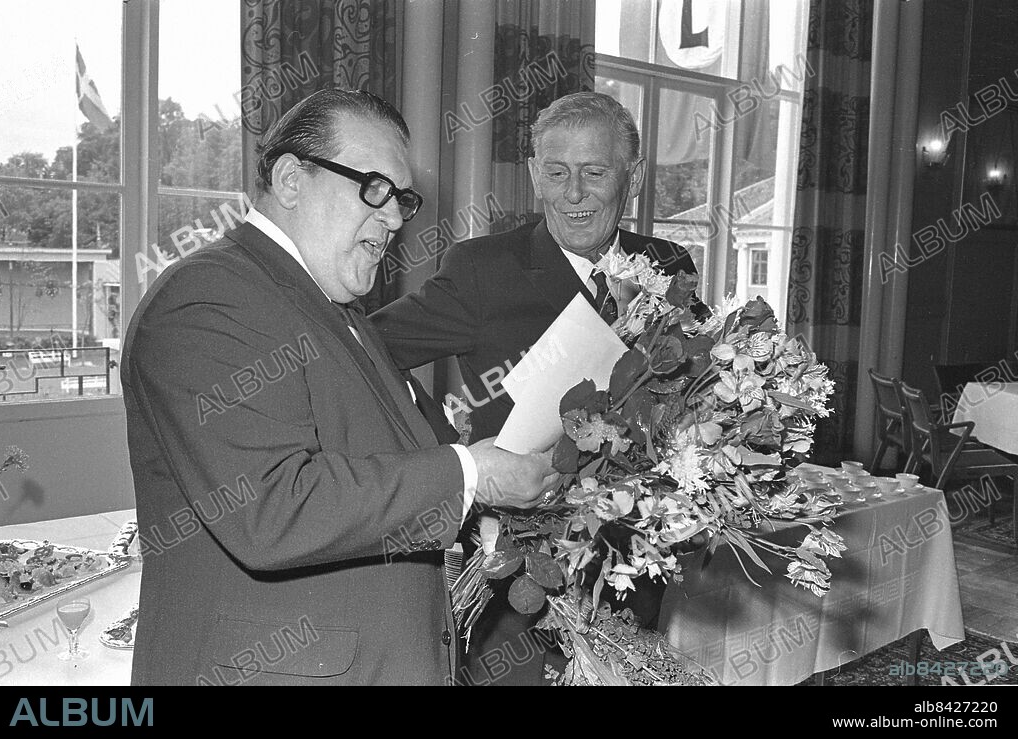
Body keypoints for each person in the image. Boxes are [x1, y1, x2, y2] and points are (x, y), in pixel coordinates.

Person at [121, 89, 558, 686]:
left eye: (403, 199)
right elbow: (271, 510)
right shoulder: (207, 298)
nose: (398, 218)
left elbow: (408, 460)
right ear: (292, 179)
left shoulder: (337, 307)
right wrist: (473, 474)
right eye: (375, 189)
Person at [371, 91, 705, 685]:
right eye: (556, 172)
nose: (573, 193)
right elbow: (364, 353)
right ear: (534, 176)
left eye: (594, 172)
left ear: (634, 176)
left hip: (630, 566)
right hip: (516, 583)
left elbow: (701, 389)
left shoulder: (669, 263)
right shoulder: (483, 271)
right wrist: (451, 453)